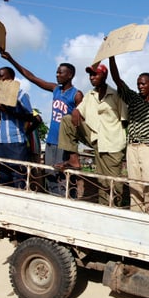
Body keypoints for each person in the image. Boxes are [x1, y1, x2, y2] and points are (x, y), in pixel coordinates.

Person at [0, 50, 83, 195]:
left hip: (65, 144)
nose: (57, 75)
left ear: (70, 75)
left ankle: (67, 204)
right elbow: (32, 77)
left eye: (60, 73)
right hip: (51, 141)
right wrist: (11, 60)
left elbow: (81, 121)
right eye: (57, 72)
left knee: (65, 178)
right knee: (50, 175)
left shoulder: (76, 94)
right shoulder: (56, 89)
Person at [57, 64, 128, 206]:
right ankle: (74, 160)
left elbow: (125, 120)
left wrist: (124, 147)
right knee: (67, 119)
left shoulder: (116, 95)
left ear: (104, 76)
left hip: (112, 143)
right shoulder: (90, 95)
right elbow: (79, 110)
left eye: (95, 74)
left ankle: (113, 210)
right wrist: (76, 111)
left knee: (110, 182)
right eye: (90, 75)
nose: (92, 77)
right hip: (95, 139)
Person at [108, 56, 149, 214]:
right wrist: (112, 57)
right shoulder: (133, 99)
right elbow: (117, 79)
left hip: (148, 148)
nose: (140, 86)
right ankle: (137, 217)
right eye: (138, 84)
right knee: (134, 185)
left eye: (143, 83)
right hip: (132, 147)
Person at [0, 67, 34, 188]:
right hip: (1, 142)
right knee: (3, 177)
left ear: (12, 79)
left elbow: (30, 117)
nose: (0, 80)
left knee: (18, 176)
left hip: (16, 142)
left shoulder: (21, 94)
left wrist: (8, 110)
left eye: (3, 77)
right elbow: (0, 116)